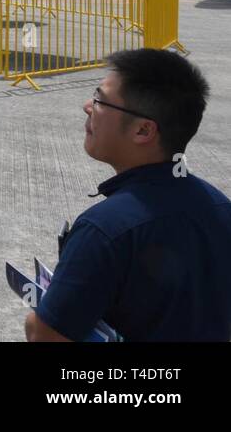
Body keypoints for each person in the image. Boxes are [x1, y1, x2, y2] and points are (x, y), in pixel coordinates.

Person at [26, 50, 231, 341]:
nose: (87, 106)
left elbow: (45, 335)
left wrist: (35, 318)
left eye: (99, 101)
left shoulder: (104, 230)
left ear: (143, 130)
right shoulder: (222, 207)